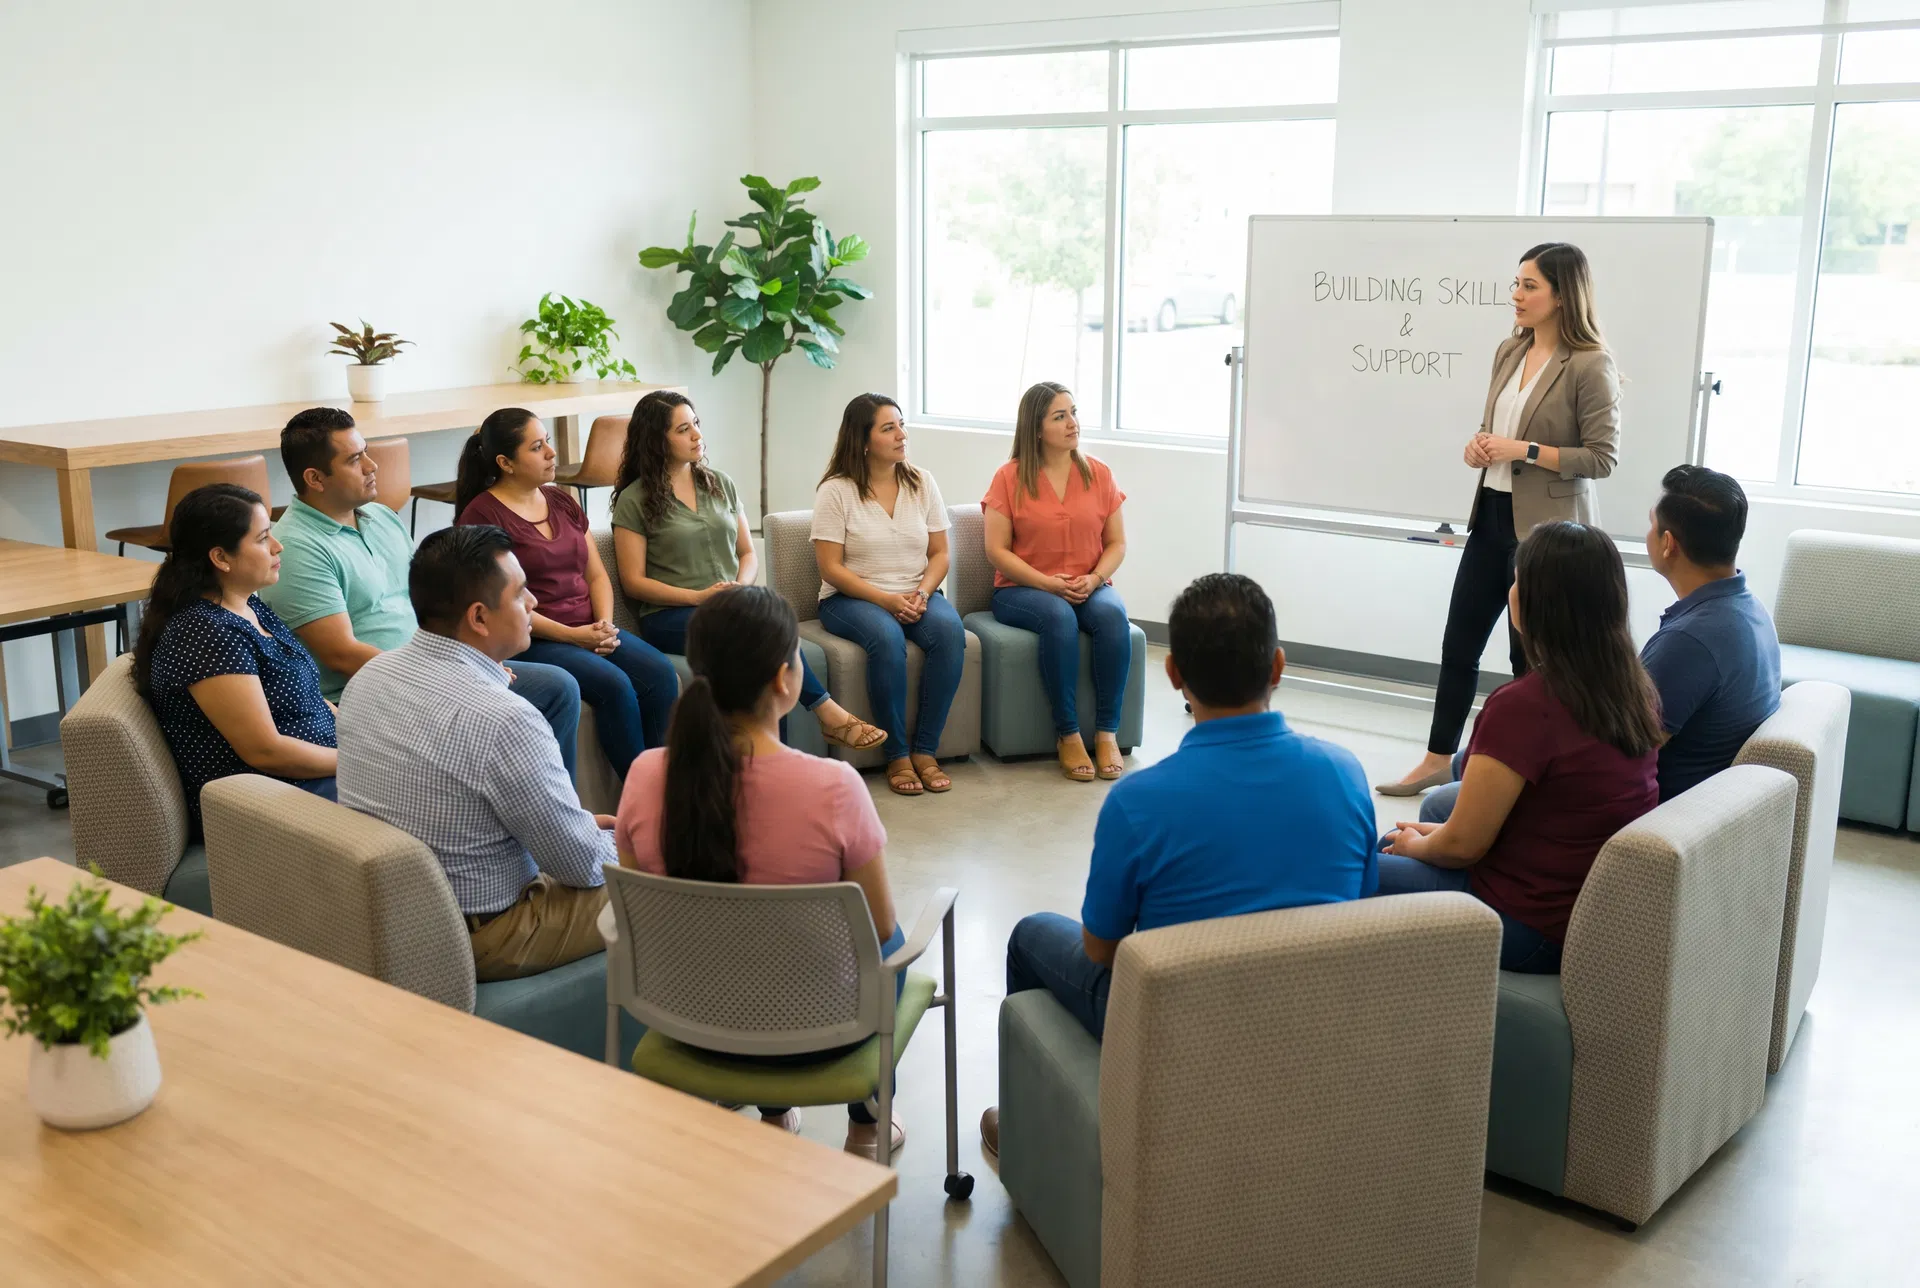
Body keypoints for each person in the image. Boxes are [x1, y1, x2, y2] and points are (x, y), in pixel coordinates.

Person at [980, 573, 1377, 1158]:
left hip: (1180, 1027)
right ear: (1277, 666)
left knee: (1029, 936)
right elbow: (1361, 906)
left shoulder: (1139, 803)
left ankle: (1025, 1130)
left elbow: (1101, 949)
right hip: (1310, 1018)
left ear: (1173, 673)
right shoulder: (1346, 774)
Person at [615, 585, 906, 1159]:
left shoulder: (646, 774)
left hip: (690, 1025)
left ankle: (773, 1115)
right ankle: (867, 1123)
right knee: (892, 941)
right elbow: (877, 929)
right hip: (820, 1034)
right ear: (783, 679)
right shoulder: (834, 787)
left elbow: (639, 911)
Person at [1379, 243, 1621, 797]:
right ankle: (1437, 758)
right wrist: (1480, 446)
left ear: (1563, 296)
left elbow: (1601, 458)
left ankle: (1528, 775)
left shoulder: (1590, 363)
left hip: (1546, 534)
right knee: (1459, 645)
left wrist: (1523, 450)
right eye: (1516, 283)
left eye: (1529, 286)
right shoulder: (1509, 351)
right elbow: (1498, 433)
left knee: (1527, 659)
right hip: (1490, 514)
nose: (1516, 294)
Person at [1376, 522, 1662, 975]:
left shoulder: (1523, 706)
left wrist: (1419, 847)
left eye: (1517, 580)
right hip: (1582, 913)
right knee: (1401, 837)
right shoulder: (1633, 687)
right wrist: (1430, 839)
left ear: (1533, 602)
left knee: (1356, 868)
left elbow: (1464, 847)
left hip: (1527, 927)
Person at [1419, 464, 1781, 822]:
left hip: (1649, 811)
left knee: (1440, 803)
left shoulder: (1690, 643)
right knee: (1474, 761)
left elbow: (1620, 749)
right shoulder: (1747, 609)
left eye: (1652, 524)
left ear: (1668, 544)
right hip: (1693, 796)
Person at [337, 525, 614, 981]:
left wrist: (577, 830)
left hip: (396, 915)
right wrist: (619, 843)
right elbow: (580, 866)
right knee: (675, 871)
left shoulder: (370, 677)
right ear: (479, 618)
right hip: (483, 931)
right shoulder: (506, 719)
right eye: (521, 593)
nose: (534, 603)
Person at [258, 407, 586, 778]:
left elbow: (433, 605)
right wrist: (446, 674)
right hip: (373, 689)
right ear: (315, 478)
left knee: (558, 687)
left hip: (432, 668)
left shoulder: (381, 517)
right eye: (354, 460)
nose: (372, 466)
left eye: (366, 452)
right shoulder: (298, 547)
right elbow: (342, 654)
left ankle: (548, 805)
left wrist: (474, 658)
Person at [606, 389, 884, 755]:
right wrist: (699, 597)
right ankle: (825, 713)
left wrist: (739, 587)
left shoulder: (720, 483)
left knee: (763, 649)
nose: (697, 435)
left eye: (696, 424)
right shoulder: (634, 500)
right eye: (683, 429)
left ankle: (777, 762)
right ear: (656, 440)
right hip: (671, 615)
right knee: (760, 636)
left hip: (730, 608)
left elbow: (747, 552)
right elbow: (634, 582)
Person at [455, 407, 678, 779]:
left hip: (590, 629)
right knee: (615, 685)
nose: (551, 452)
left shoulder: (562, 501)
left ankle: (667, 784)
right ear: (505, 463)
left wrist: (603, 625)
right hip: (535, 638)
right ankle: (642, 792)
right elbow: (502, 603)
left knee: (660, 672)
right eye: (537, 447)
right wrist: (574, 636)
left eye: (548, 442)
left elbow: (596, 575)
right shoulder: (482, 516)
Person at [133, 483, 338, 832]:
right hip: (269, 802)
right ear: (221, 558)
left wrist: (362, 737)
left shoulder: (247, 604)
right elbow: (264, 751)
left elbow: (311, 699)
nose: (278, 546)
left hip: (312, 776)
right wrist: (359, 763)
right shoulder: (205, 633)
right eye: (263, 538)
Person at [812, 392, 966, 798]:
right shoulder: (836, 491)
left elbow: (940, 553)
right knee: (886, 636)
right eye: (888, 428)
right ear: (863, 440)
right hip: (849, 599)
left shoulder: (922, 482)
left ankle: (925, 750)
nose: (902, 434)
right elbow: (831, 568)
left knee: (950, 633)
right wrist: (886, 600)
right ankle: (897, 755)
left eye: (901, 425)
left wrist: (922, 593)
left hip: (916, 592)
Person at [983, 382, 1131, 783]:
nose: (1072, 423)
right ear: (1036, 428)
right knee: (1059, 617)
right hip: (1022, 590)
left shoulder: (1099, 473)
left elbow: (1117, 543)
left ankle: (1107, 733)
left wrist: (1095, 578)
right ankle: (1068, 733)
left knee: (1113, 618)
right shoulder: (1009, 477)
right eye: (1060, 416)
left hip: (1089, 584)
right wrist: (1048, 584)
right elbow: (996, 551)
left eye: (1074, 413)